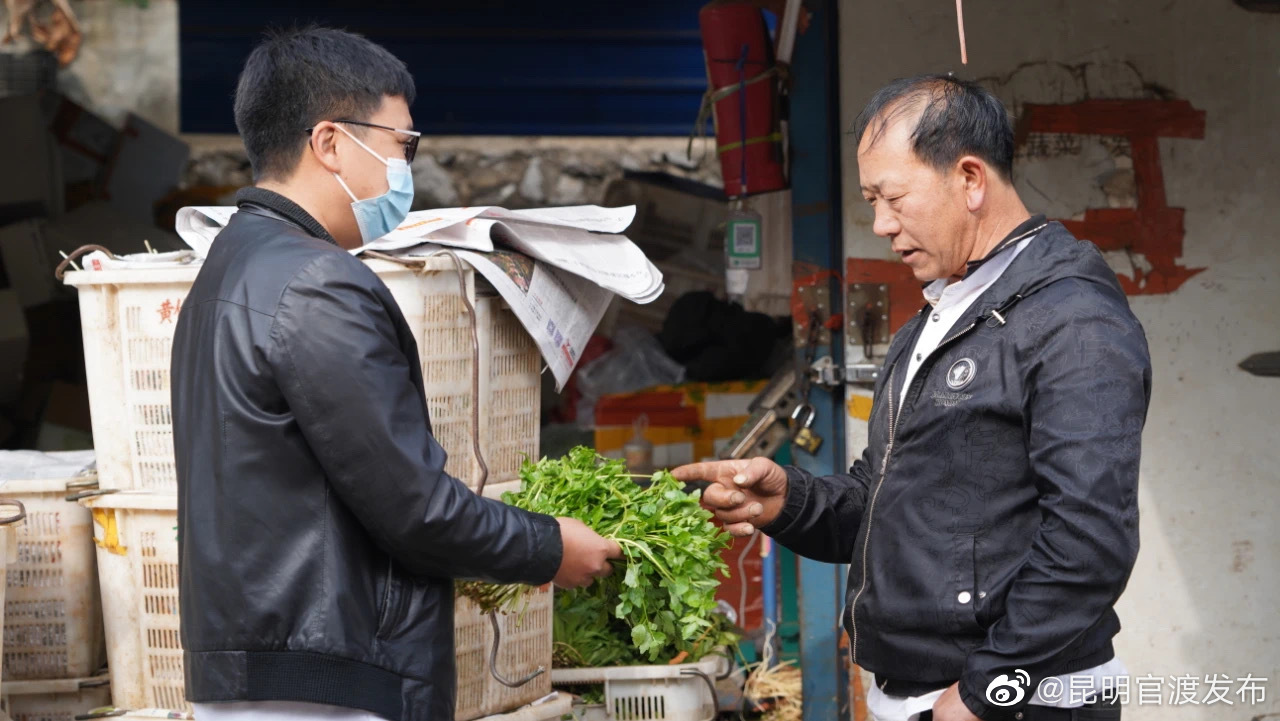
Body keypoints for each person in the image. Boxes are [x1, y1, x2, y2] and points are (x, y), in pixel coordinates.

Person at [170, 27, 620, 721]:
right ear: (328, 143)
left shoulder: (233, 264)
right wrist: (551, 545)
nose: (406, 166)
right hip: (326, 677)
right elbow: (414, 508)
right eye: (401, 144)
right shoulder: (317, 283)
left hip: (265, 664)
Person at [673, 74, 1149, 721]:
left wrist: (989, 687)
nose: (881, 225)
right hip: (930, 692)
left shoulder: (1072, 320)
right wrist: (790, 499)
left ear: (970, 179)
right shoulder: (936, 319)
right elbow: (888, 497)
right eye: (871, 201)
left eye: (892, 198)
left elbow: (1091, 537)